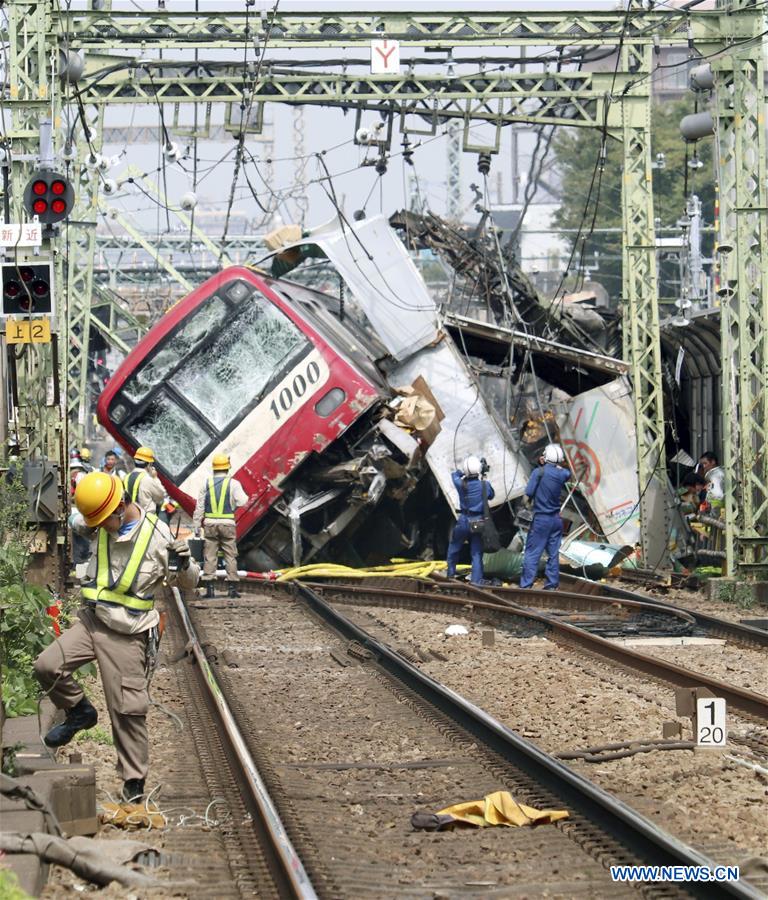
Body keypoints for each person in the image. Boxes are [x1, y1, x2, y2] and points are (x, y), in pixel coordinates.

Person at [34, 471, 199, 802]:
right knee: (47, 665)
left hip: (128, 633)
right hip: (93, 622)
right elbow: (79, 523)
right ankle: (80, 712)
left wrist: (184, 563)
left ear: (122, 507)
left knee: (127, 711)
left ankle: (133, 783)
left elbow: (189, 584)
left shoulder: (156, 535)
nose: (98, 528)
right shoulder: (100, 523)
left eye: (102, 520)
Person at [192, 454, 249, 599]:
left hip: (210, 524)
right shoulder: (234, 483)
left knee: (210, 555)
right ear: (227, 467)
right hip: (227, 524)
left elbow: (199, 507)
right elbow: (242, 501)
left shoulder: (206, 484)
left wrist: (197, 525)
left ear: (214, 468)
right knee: (230, 555)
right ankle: (232, 589)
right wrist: (233, 505)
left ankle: (210, 590)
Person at [519, 443, 572, 591]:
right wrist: (556, 465)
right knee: (553, 554)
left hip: (541, 520)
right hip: (556, 520)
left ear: (545, 457)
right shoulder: (562, 474)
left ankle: (526, 585)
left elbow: (527, 495)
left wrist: (526, 507)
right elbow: (567, 473)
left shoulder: (538, 472)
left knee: (532, 553)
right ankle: (551, 585)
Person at [446, 455, 495, 584]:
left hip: (464, 520)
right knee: (476, 553)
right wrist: (483, 477)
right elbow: (491, 496)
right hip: (478, 521)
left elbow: (453, 475)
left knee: (454, 547)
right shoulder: (484, 485)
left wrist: (463, 472)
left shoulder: (460, 484)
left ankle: (450, 575)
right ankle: (476, 581)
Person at [123, 447, 165, 515]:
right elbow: (160, 497)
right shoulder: (147, 479)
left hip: (130, 518)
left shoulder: (126, 478)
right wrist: (155, 478)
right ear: (149, 464)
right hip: (146, 520)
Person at [69, 459, 91, 568]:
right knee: (82, 537)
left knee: (77, 539)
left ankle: (77, 560)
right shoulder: (82, 476)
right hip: (80, 512)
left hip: (75, 512)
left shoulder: (75, 477)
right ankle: (80, 559)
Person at [697, 451, 725, 517]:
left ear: (713, 462)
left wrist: (712, 516)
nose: (703, 466)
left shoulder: (717, 476)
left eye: (705, 463)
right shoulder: (719, 474)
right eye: (702, 464)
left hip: (718, 516)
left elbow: (717, 496)